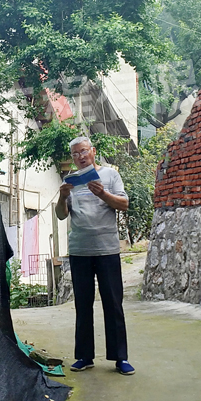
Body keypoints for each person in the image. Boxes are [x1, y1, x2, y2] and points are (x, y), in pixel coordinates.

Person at [55, 136, 135, 375]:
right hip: (80, 250)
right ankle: (84, 356)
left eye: (84, 151)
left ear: (93, 151)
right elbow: (61, 215)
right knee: (83, 304)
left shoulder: (110, 175)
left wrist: (103, 195)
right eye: (76, 154)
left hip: (107, 249)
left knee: (113, 303)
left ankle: (120, 358)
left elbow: (123, 204)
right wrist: (62, 196)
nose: (80, 157)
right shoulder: (69, 181)